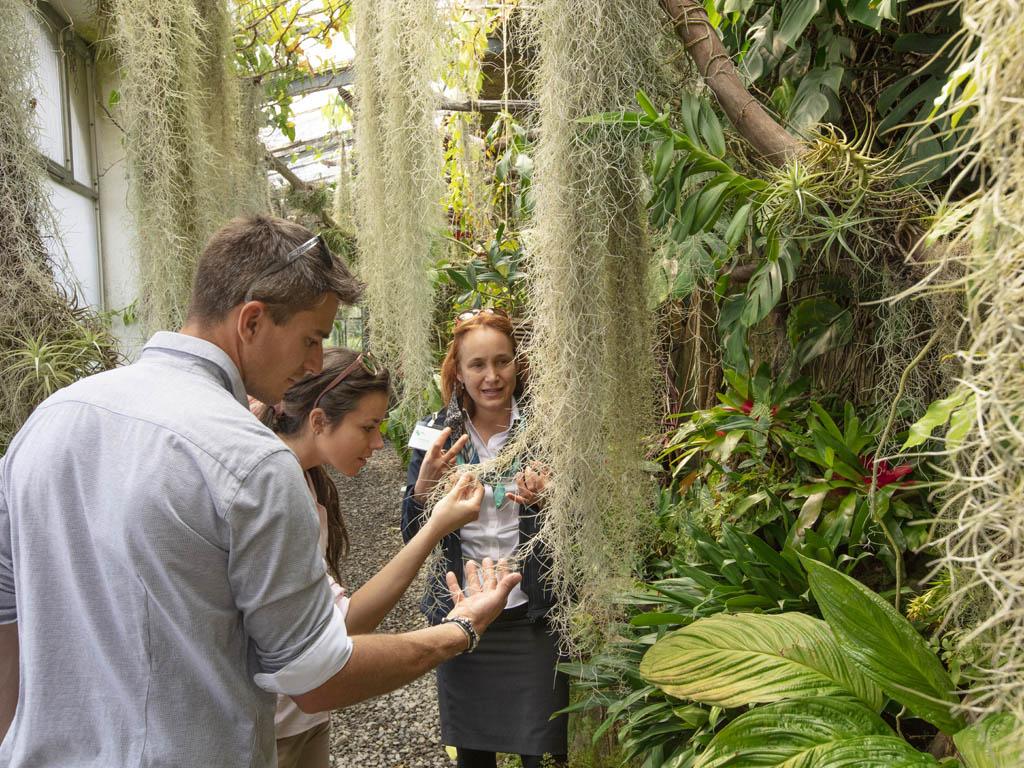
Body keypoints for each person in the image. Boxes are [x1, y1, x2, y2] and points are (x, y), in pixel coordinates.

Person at [0, 215, 520, 767]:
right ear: (251, 321)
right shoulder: (249, 460)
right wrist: (459, 630)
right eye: (312, 338)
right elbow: (313, 676)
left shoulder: (49, 420)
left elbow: (8, 618)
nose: (316, 363)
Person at [255, 348, 485, 768]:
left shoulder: (303, 480)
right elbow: (345, 623)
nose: (379, 443)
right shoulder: (277, 491)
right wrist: (435, 527)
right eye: (368, 427)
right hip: (273, 727)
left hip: (296, 717)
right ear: (319, 420)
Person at [401, 307, 568, 768]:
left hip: (532, 617)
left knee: (544, 750)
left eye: (503, 361)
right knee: (473, 757)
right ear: (457, 370)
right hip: (462, 618)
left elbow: (578, 528)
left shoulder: (548, 431)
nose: (492, 376)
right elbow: (413, 537)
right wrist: (422, 489)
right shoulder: (437, 435)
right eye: (477, 364)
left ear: (519, 363)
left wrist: (553, 501)